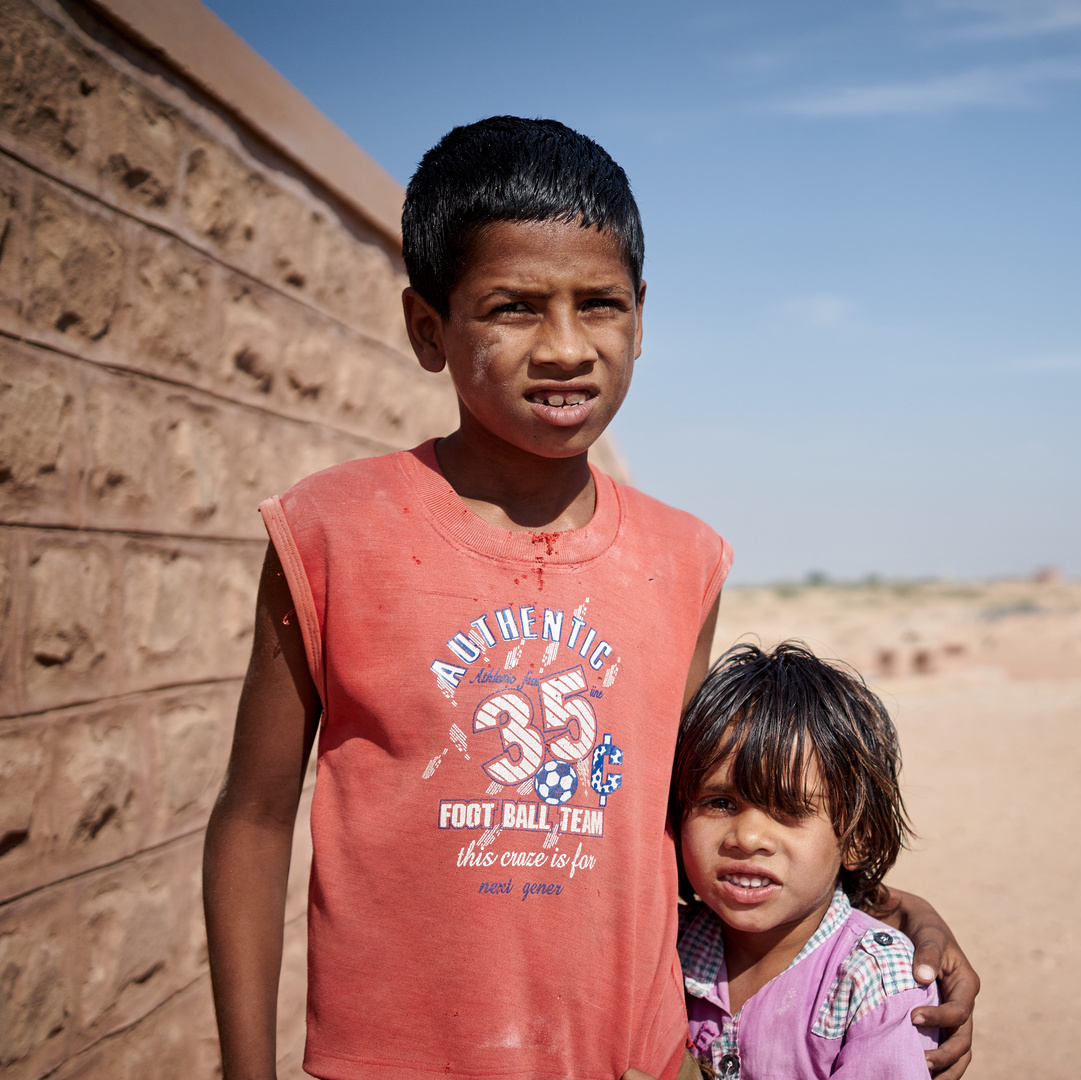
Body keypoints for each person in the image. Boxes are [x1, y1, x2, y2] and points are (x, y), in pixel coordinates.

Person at [202, 116, 979, 1080]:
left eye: (600, 304)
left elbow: (687, 821)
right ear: (427, 328)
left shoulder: (685, 560)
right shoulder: (329, 534)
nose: (566, 347)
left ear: (642, 318)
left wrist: (890, 917)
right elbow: (254, 813)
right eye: (514, 307)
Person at [671, 642, 939, 1080]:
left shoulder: (875, 979)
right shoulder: (664, 948)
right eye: (719, 802)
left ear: (856, 838)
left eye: (789, 809)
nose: (748, 838)